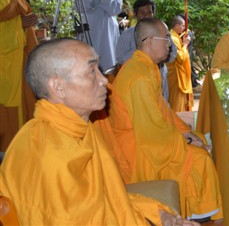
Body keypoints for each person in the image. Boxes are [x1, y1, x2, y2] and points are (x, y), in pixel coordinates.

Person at [0, 39, 192, 225]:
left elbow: (108, 197)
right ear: (58, 87)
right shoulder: (48, 158)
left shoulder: (79, 128)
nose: (103, 80)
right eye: (92, 71)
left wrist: (159, 215)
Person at [105, 18, 222, 221]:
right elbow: (151, 132)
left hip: (150, 137)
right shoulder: (138, 77)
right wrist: (185, 141)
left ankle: (200, 210)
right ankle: (201, 214)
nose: (170, 43)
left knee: (200, 139)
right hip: (139, 151)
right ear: (149, 41)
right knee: (200, 158)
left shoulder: (146, 67)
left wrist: (186, 133)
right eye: (166, 38)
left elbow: (163, 112)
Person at [0, 0, 38, 151]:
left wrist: (27, 24)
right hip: (3, 63)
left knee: (24, 101)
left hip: (18, 59)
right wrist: (19, 25)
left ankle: (20, 147)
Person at [116, 0, 175, 101]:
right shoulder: (126, 35)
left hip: (159, 75)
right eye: (142, 13)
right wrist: (143, 51)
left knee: (161, 103)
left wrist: (159, 54)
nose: (146, 16)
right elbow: (120, 58)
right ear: (135, 14)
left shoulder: (161, 32)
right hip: (136, 79)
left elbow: (173, 55)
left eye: (149, 12)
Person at [79, 0, 123, 72]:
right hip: (90, 32)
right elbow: (81, 7)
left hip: (109, 34)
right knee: (87, 67)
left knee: (109, 66)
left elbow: (115, 10)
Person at [167, 15, 193, 112]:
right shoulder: (173, 39)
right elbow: (181, 58)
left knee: (180, 104)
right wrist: (185, 44)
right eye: (183, 26)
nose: (184, 28)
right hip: (176, 77)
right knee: (176, 106)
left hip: (177, 75)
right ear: (177, 26)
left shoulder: (176, 36)